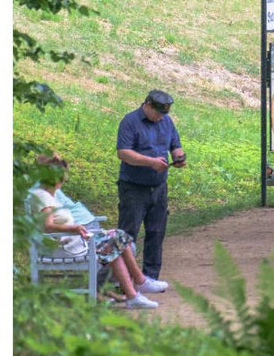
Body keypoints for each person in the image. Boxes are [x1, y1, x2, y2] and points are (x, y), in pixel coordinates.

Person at [29, 154, 167, 309]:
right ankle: (136, 290)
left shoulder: (47, 195)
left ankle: (138, 286)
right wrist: (73, 228)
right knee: (112, 244)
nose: (62, 182)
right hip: (64, 248)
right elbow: (48, 226)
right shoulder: (42, 197)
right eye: (61, 178)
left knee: (117, 236)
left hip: (72, 243)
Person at [117, 90, 186, 280]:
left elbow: (175, 145)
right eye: (157, 113)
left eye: (164, 114)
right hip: (134, 187)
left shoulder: (166, 122)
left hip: (159, 186)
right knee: (127, 233)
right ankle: (120, 279)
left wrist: (178, 157)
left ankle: (151, 277)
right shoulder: (130, 121)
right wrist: (151, 162)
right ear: (147, 104)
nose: (160, 117)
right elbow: (123, 153)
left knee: (156, 232)